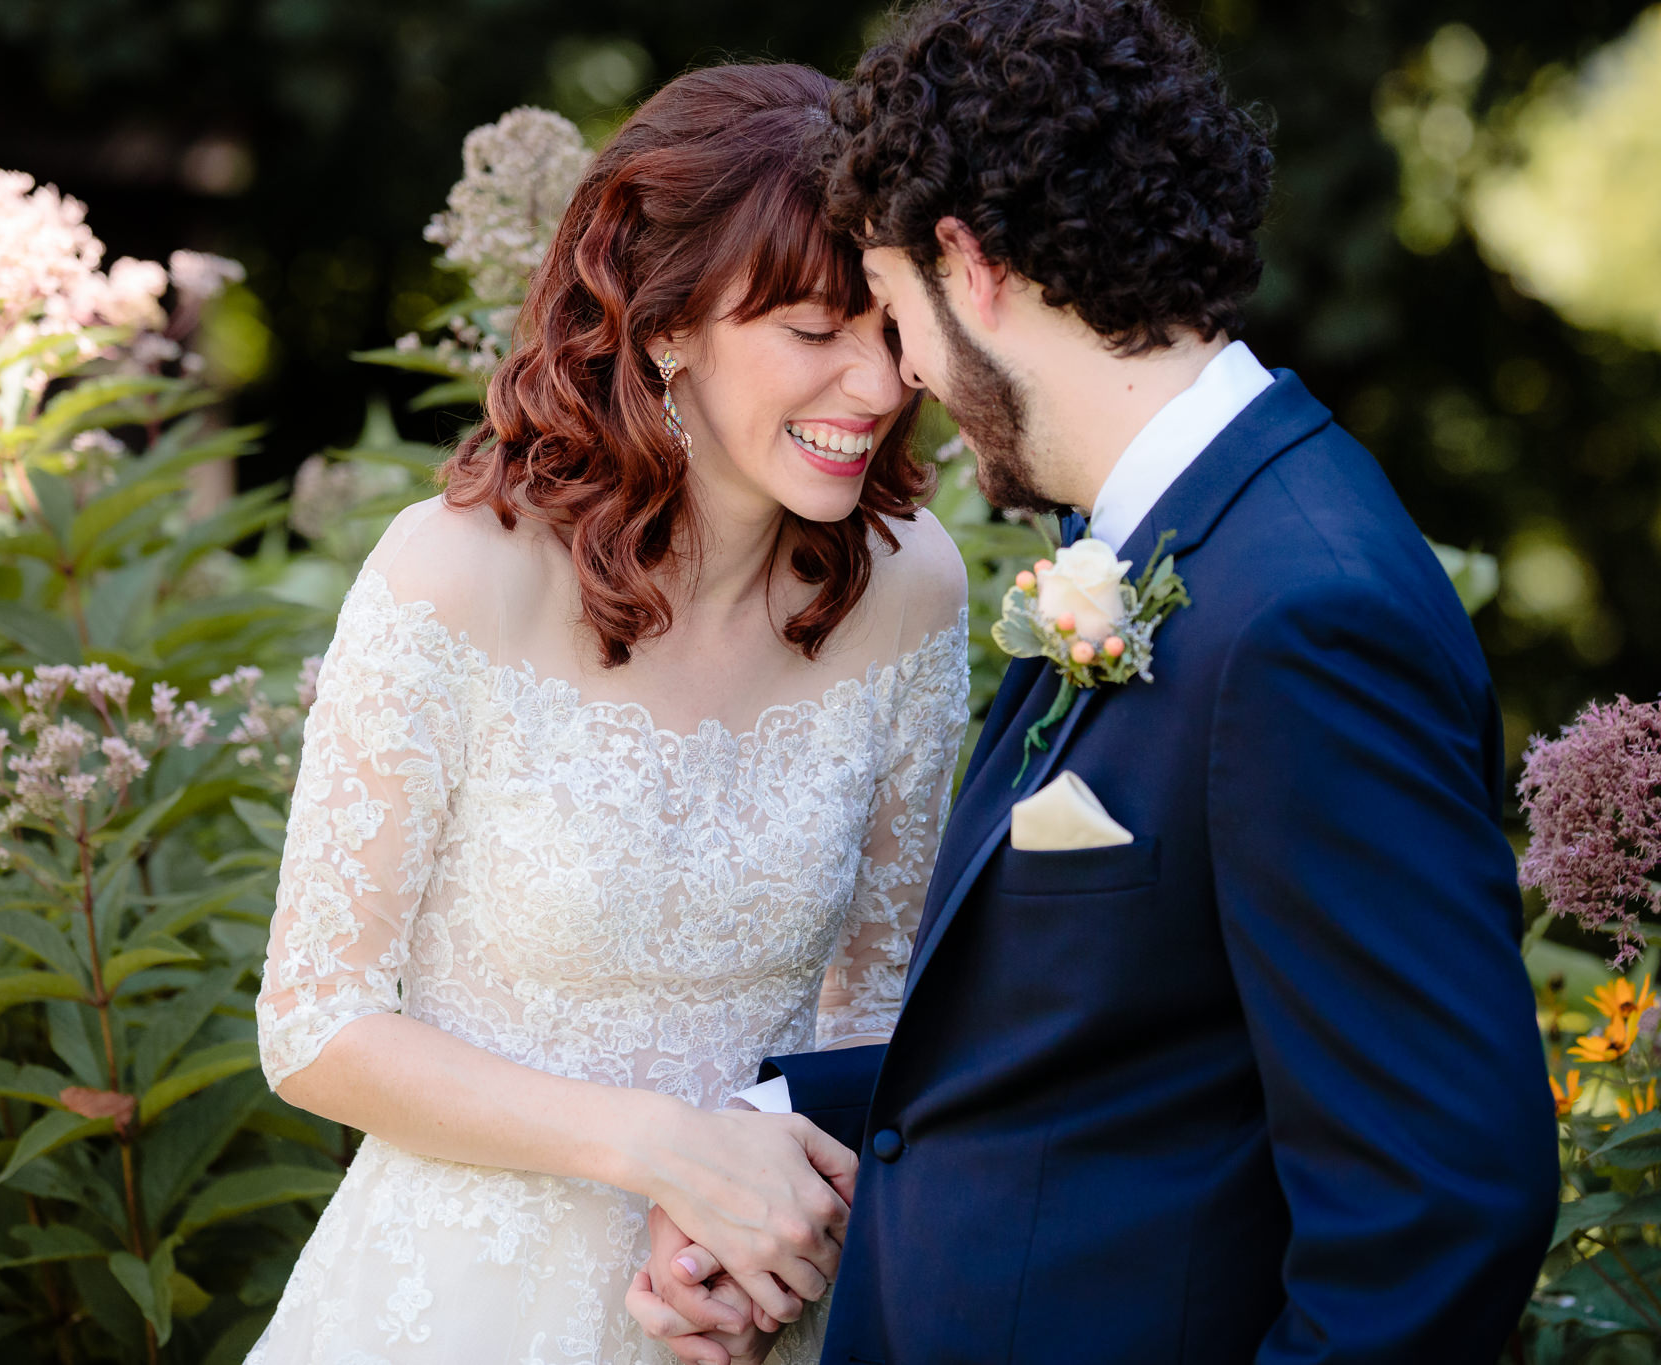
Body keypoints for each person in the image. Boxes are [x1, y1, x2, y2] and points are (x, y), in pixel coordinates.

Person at [631, 3, 1560, 1362]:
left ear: (973, 266)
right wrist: (774, 1126)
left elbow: (1442, 1208)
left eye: (894, 315)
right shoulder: (1158, 542)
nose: (904, 379)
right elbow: (1107, 1047)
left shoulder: (1307, 616)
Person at [247, 63, 969, 1365]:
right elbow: (315, 1022)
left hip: (750, 1307)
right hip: (458, 1304)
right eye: (814, 330)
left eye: (892, 327)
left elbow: (881, 1005)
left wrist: (760, 1236)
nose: (874, 385)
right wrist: (666, 1148)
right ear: (666, 321)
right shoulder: (453, 575)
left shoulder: (913, 588)